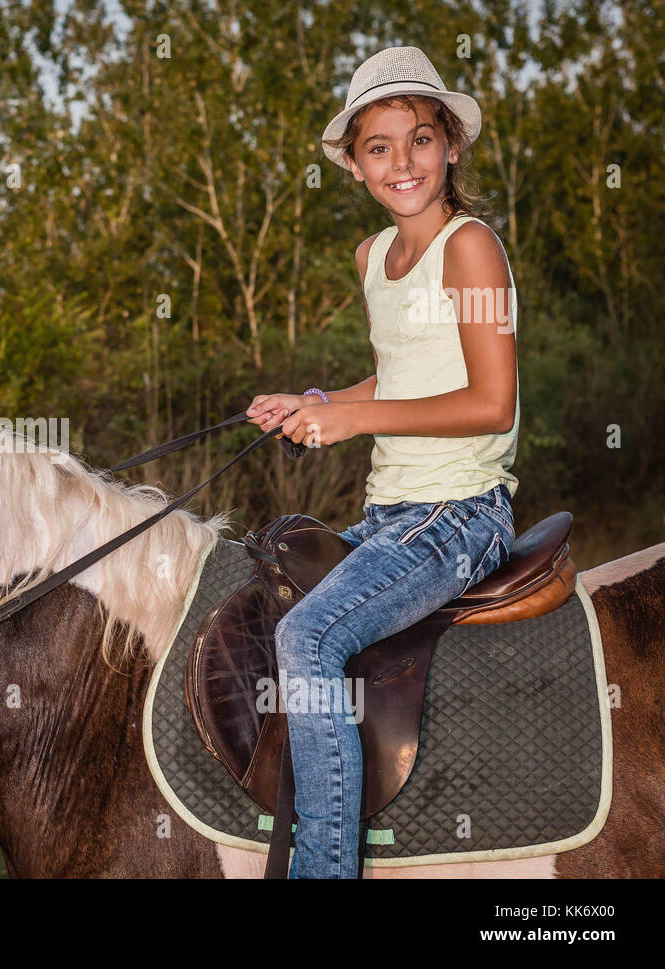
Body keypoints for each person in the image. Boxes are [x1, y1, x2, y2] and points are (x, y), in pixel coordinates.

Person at [245, 46, 520, 878]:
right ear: (355, 165)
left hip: (461, 513)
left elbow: (490, 401)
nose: (402, 162)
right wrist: (319, 405)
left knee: (308, 638)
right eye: (379, 146)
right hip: (394, 514)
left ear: (452, 146)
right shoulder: (374, 260)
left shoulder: (469, 247)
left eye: (420, 138)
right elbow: (400, 376)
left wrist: (354, 417)